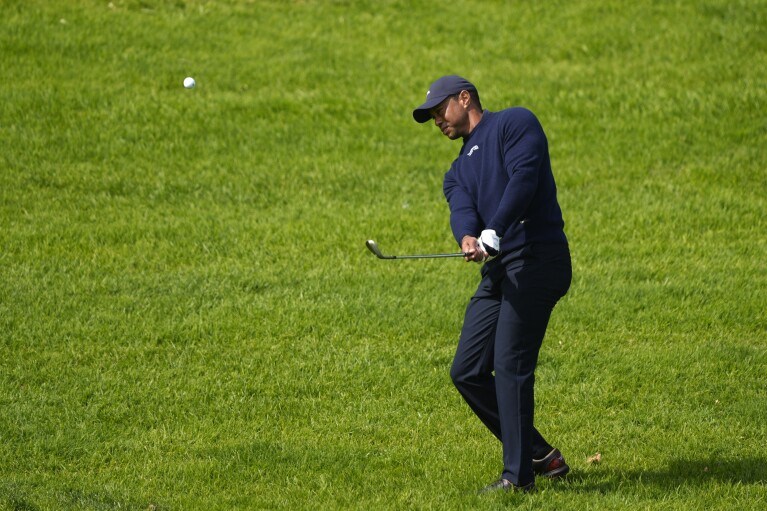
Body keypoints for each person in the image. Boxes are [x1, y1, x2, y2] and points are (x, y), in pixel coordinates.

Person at [412, 75, 572, 493]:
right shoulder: (456, 171)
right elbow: (461, 208)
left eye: (438, 110)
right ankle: (540, 454)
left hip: (537, 258)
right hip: (501, 271)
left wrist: (495, 230)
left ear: (464, 99)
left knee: (512, 362)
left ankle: (517, 479)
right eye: (430, 117)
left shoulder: (515, 124)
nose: (436, 122)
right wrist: (467, 236)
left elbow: (524, 177)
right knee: (466, 370)